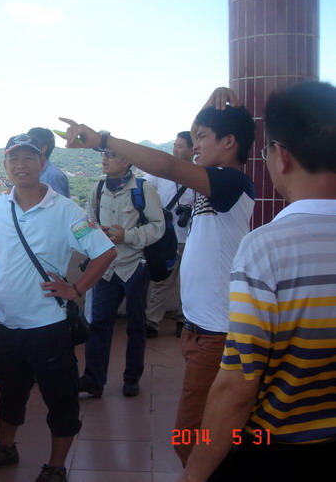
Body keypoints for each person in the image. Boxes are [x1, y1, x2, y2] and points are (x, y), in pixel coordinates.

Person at [59, 85, 256, 466]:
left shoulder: (229, 183)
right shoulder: (218, 184)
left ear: (229, 142)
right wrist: (209, 106)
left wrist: (102, 140)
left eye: (202, 138)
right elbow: (191, 145)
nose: (194, 146)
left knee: (189, 437)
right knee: (212, 432)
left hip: (216, 333)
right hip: (203, 329)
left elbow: (169, 165)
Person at [178, 81, 336, 482]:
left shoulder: (267, 248)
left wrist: (193, 476)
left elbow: (237, 387)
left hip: (279, 449)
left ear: (281, 157)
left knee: (188, 437)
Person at [0, 133, 116, 482]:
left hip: (48, 326)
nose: (21, 165)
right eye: (14, 159)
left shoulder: (67, 210)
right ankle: (7, 447)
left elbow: (105, 251)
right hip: (7, 324)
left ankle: (57, 466)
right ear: (5, 165)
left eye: (28, 158)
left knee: (60, 399)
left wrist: (75, 288)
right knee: (10, 392)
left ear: (42, 163)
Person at [78, 148, 164, 398]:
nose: (105, 159)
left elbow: (158, 226)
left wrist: (127, 236)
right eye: (103, 155)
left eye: (111, 155)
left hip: (134, 266)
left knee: (136, 326)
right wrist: (95, 233)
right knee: (98, 325)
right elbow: (87, 223)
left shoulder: (143, 189)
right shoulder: (97, 189)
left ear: (126, 161)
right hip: (106, 268)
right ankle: (93, 380)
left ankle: (131, 378)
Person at [144, 131, 196, 338]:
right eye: (175, 145)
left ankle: (184, 320)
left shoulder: (198, 174)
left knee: (189, 282)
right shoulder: (164, 171)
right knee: (161, 281)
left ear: (192, 149)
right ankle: (152, 321)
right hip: (167, 237)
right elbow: (144, 187)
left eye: (180, 146)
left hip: (191, 237)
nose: (175, 150)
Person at [28, 127, 71, 197]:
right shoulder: (38, 173)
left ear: (43, 149)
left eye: (30, 145)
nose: (25, 149)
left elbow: (56, 203)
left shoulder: (52, 176)